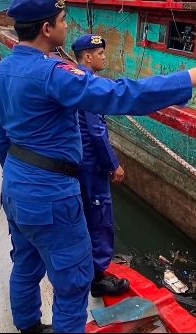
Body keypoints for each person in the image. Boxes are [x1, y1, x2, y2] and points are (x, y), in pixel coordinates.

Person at [0, 0, 196, 333]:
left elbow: (0, 139)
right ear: (46, 29)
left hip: (15, 185)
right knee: (74, 281)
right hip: (52, 194)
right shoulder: (54, 74)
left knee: (25, 264)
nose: (66, 26)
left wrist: (18, 179)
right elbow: (119, 95)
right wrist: (191, 77)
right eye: (62, 20)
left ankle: (28, 328)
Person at [71, 34, 128, 298]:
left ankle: (88, 268)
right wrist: (114, 164)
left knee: (85, 216)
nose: (105, 57)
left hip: (78, 162)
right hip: (92, 165)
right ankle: (97, 277)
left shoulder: (73, 79)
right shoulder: (89, 85)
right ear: (87, 57)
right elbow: (96, 132)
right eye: (100, 54)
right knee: (100, 217)